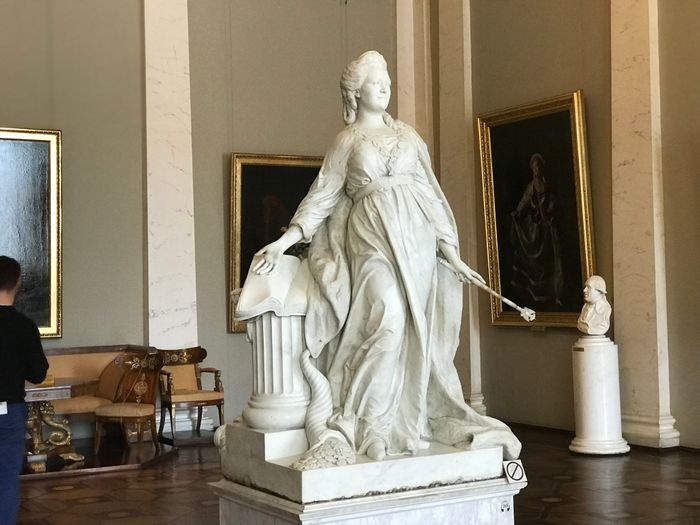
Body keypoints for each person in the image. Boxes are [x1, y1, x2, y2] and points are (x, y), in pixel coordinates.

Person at [253, 51, 521, 461]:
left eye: (388, 82)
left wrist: (452, 254)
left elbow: (431, 196)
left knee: (411, 331)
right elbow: (322, 196)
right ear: (356, 92)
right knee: (388, 318)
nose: (385, 87)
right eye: (376, 82)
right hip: (370, 240)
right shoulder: (347, 141)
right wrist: (284, 241)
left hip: (417, 243)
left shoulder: (409, 137)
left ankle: (394, 426)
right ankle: (363, 423)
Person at [0, 256, 49, 524]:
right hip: (9, 413)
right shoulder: (24, 326)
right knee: (6, 480)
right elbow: (38, 374)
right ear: (17, 283)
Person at [510, 152, 564, 308]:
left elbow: (554, 201)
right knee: (537, 262)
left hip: (548, 228)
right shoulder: (531, 186)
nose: (537, 169)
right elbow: (524, 201)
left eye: (538, 166)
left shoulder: (548, 184)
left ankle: (554, 293)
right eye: (534, 167)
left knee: (552, 261)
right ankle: (537, 293)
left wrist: (549, 212)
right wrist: (517, 212)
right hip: (537, 230)